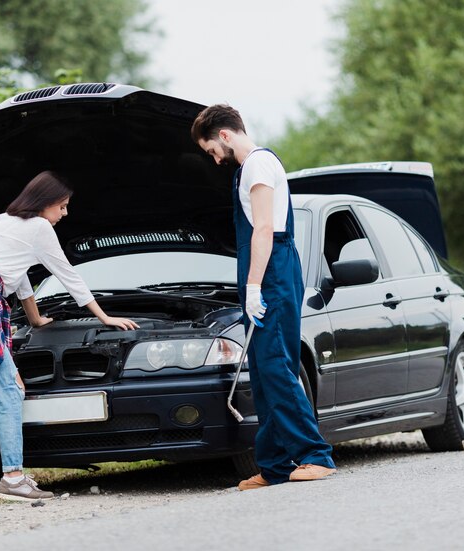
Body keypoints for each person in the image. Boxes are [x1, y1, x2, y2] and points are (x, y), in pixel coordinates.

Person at [0, 170, 139, 501]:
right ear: (46, 202)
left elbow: (16, 273)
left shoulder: (1, 220)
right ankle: (13, 478)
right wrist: (104, 316)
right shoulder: (39, 227)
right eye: (62, 206)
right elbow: (66, 273)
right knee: (8, 392)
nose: (64, 214)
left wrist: (35, 319)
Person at [191, 105, 336, 490]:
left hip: (271, 270)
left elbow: (265, 228)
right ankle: (273, 464)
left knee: (275, 366)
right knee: (263, 370)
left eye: (210, 150)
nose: (214, 158)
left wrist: (255, 286)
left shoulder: (256, 165)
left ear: (223, 135)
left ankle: (315, 455)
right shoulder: (249, 167)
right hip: (266, 270)